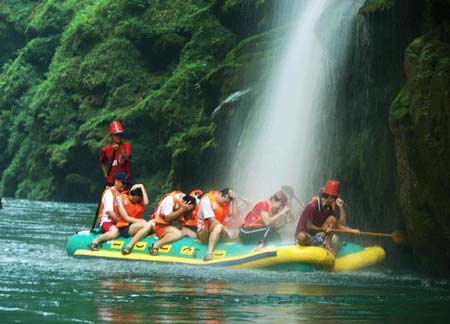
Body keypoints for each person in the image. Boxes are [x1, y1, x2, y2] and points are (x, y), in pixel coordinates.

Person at [295, 179, 359, 254]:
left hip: (317, 236)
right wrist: (322, 228)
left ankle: (327, 245)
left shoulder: (329, 208)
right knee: (302, 237)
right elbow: (308, 226)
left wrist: (352, 231)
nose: (335, 200)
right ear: (330, 197)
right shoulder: (312, 206)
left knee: (333, 219)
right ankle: (313, 245)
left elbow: (338, 225)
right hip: (305, 234)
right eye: (335, 198)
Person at [89, 172, 129, 250]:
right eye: (123, 183)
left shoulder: (122, 195)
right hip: (107, 221)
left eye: (126, 183)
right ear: (116, 181)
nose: (124, 185)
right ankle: (95, 242)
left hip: (117, 222)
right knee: (115, 232)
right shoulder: (109, 193)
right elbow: (110, 212)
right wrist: (120, 221)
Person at [149, 191, 197, 256]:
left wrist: (189, 211)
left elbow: (187, 218)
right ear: (184, 203)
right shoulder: (169, 200)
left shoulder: (189, 201)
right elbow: (168, 218)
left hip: (175, 226)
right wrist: (183, 209)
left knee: (194, 235)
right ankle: (156, 245)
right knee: (178, 234)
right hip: (161, 226)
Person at [197, 188, 238, 261]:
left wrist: (234, 200)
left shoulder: (227, 202)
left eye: (227, 203)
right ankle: (209, 253)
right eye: (224, 201)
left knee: (238, 231)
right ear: (220, 195)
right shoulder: (206, 200)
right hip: (204, 232)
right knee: (218, 226)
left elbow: (235, 217)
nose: (225, 204)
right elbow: (211, 220)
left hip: (219, 231)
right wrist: (227, 231)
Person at [119, 184, 156, 255]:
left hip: (137, 225)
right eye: (134, 199)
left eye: (137, 199)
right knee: (147, 224)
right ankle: (129, 246)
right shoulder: (122, 198)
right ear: (131, 194)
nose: (135, 201)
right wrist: (141, 221)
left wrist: (142, 186)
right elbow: (126, 218)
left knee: (152, 222)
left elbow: (146, 202)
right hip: (125, 228)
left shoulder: (138, 202)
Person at [99, 120, 132, 186]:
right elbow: (102, 161)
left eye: (120, 135)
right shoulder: (106, 149)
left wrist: (119, 150)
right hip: (112, 182)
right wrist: (105, 174)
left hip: (124, 182)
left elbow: (127, 158)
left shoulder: (126, 146)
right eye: (117, 135)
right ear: (112, 135)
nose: (119, 137)